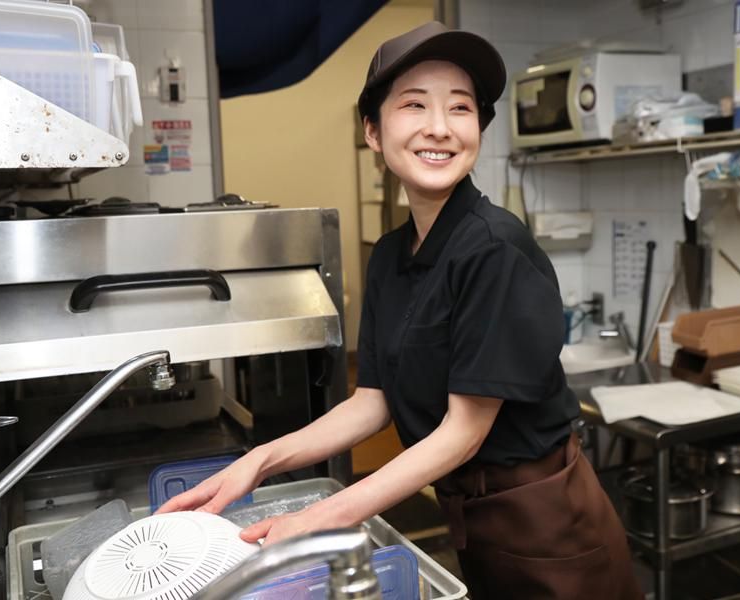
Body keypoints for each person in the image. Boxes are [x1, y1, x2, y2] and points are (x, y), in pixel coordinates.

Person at [158, 21, 642, 599]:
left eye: (460, 108)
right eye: (414, 105)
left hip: (548, 523)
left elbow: (463, 433)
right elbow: (373, 402)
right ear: (373, 130)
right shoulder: (391, 255)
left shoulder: (495, 248)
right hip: (471, 513)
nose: (440, 127)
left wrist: (322, 516)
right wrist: (258, 462)